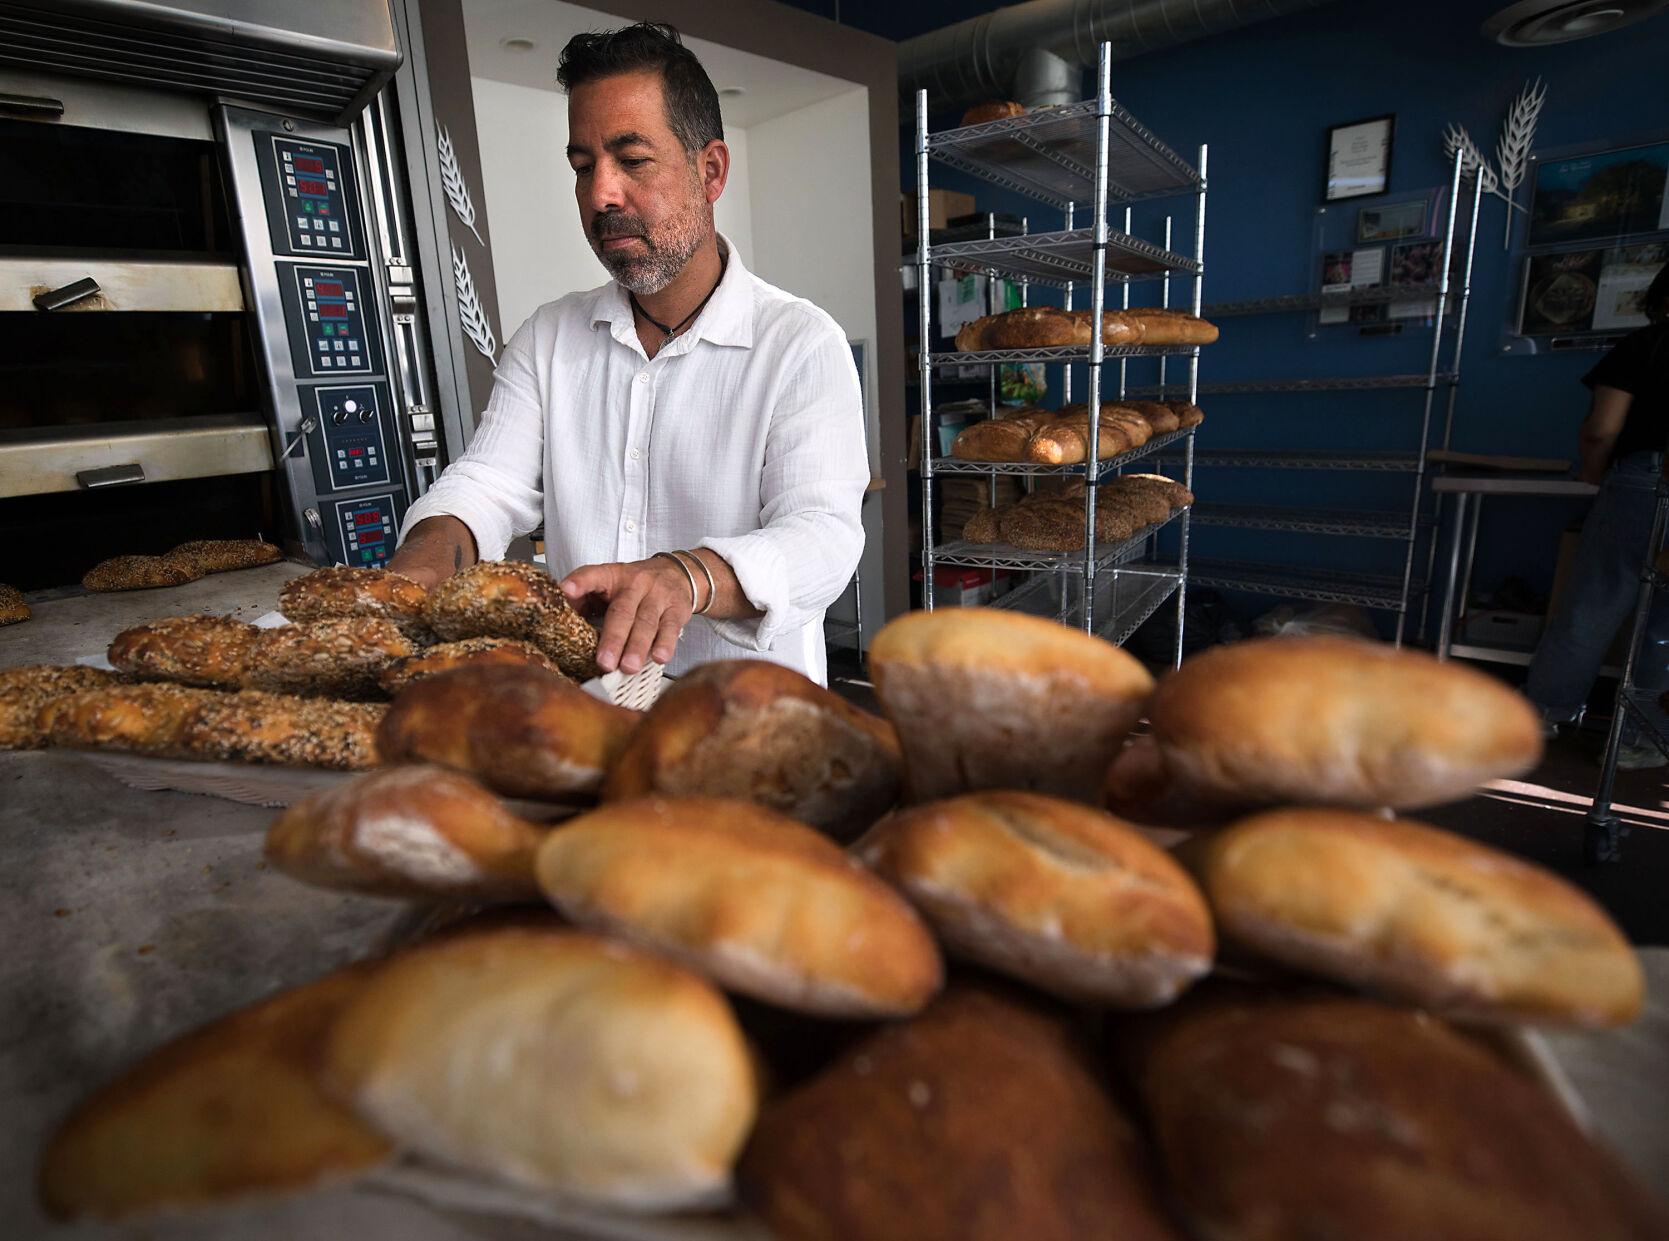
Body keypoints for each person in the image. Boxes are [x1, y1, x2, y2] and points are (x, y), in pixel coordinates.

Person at [389, 22, 867, 686]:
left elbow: (823, 536)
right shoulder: (548, 338)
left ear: (710, 171)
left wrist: (689, 575)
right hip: (589, 710)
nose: (600, 194)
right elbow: (487, 484)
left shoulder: (799, 344)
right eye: (583, 166)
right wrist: (423, 557)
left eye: (632, 159)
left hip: (749, 719)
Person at [1524, 263, 1669, 768]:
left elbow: (1602, 428)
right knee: (1665, 623)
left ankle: (1542, 714)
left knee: (1594, 604)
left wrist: (1593, 471)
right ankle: (1644, 737)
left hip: (1645, 481)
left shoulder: (1647, 344)